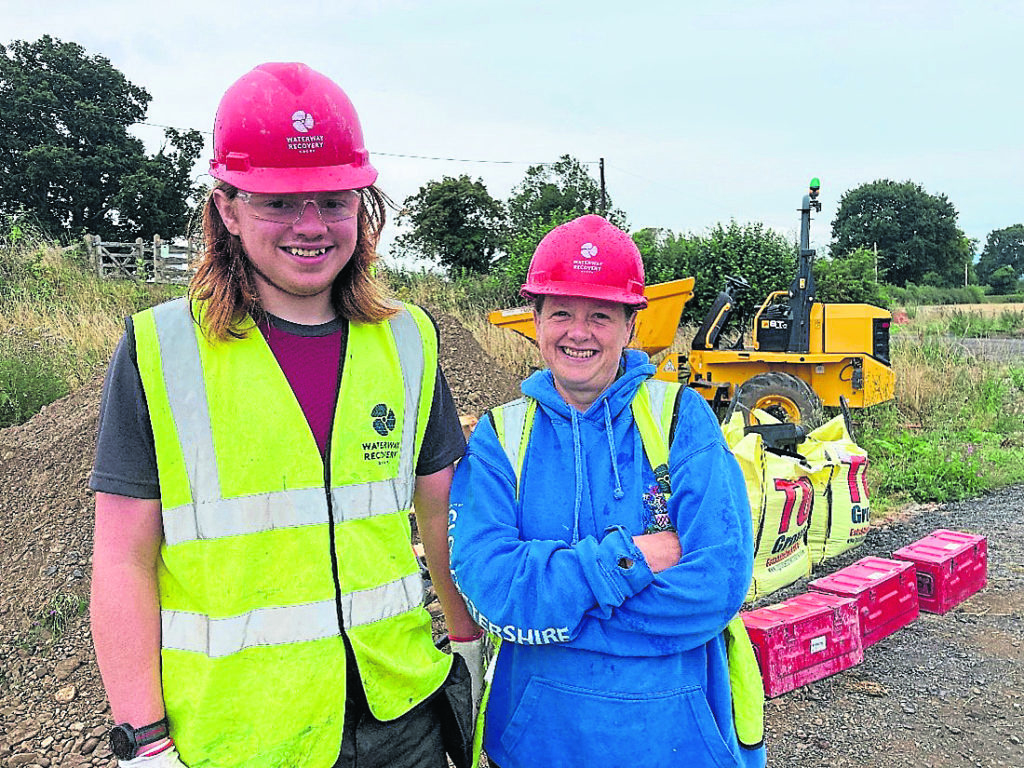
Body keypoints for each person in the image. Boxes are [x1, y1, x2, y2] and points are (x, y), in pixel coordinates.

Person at [90, 62, 483, 768]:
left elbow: (441, 512)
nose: (311, 226)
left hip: (401, 718)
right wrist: (143, 740)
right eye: (279, 202)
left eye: (333, 199)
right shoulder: (160, 352)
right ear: (228, 210)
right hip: (244, 735)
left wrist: (467, 641)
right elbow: (123, 557)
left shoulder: (408, 340)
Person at [448, 214, 767, 768]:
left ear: (629, 327)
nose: (579, 332)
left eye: (600, 314)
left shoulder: (680, 421)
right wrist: (628, 560)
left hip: (674, 743)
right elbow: (491, 587)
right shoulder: (502, 437)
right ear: (537, 321)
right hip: (537, 745)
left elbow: (717, 585)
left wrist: (559, 617)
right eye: (561, 313)